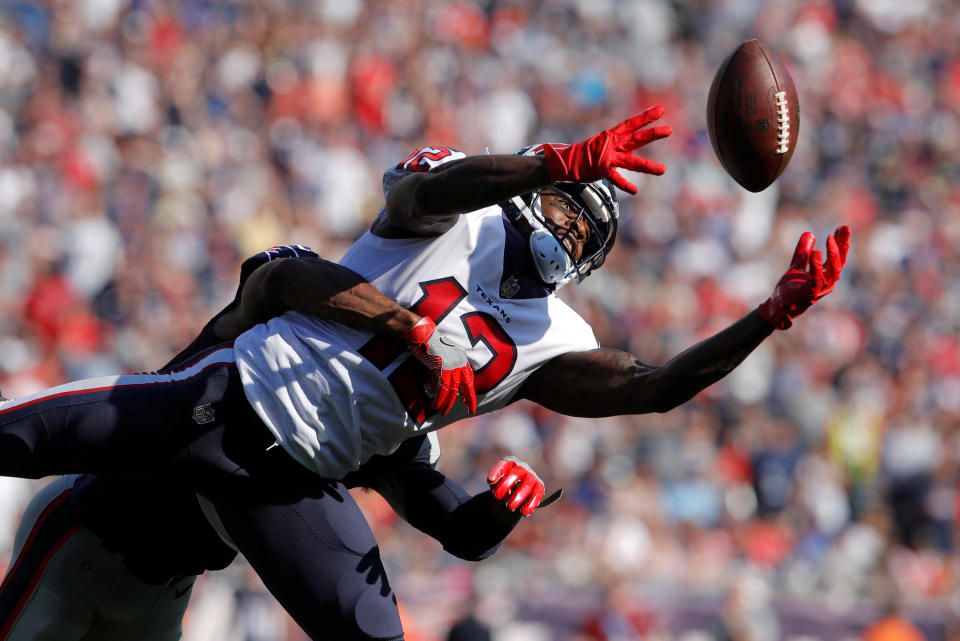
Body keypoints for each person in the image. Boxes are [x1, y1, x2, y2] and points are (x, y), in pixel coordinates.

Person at [0, 106, 851, 640]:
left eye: (593, 238)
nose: (576, 233)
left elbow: (652, 385)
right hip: (229, 398)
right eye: (569, 210)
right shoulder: (458, 213)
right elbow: (396, 210)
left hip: (297, 480)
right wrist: (556, 163)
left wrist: (765, 318)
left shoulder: (551, 335)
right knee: (18, 432)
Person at [0, 245, 551, 640]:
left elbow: (459, 529)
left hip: (166, 592)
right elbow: (274, 281)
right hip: (83, 543)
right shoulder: (253, 349)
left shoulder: (359, 419)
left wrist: (501, 511)